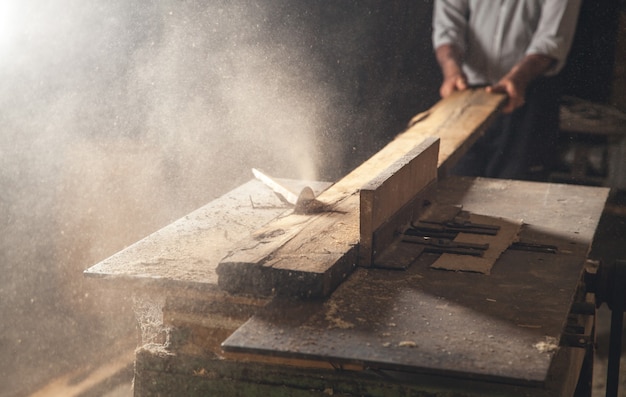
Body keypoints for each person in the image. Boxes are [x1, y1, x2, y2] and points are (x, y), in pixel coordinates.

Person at [432, 0, 582, 179]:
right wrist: (451, 70)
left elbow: (551, 39)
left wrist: (519, 77)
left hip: (528, 92)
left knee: (518, 184)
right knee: (456, 182)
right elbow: (447, 27)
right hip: (467, 93)